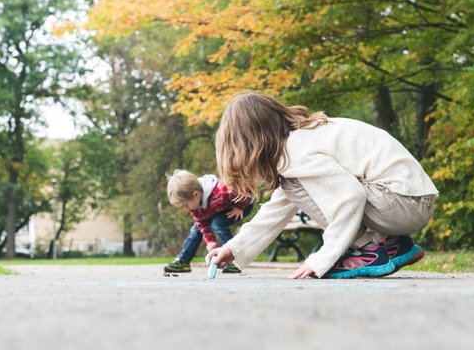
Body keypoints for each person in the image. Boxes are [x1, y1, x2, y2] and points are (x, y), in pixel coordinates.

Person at [206, 92, 438, 279]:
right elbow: (277, 207)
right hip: (409, 200)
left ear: (252, 143)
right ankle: (392, 245)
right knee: (290, 187)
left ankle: (368, 250)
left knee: (291, 186)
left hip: (401, 202)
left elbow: (350, 197)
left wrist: (324, 257)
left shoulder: (295, 152)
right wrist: (234, 248)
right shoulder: (304, 138)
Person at [164, 169, 254, 274]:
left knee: (217, 224)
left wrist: (240, 206)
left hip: (242, 204)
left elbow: (246, 189)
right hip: (218, 209)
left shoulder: (222, 191)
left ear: (196, 194)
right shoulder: (195, 207)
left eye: (185, 205)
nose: (186, 210)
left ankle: (234, 260)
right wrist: (210, 241)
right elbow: (202, 224)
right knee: (196, 228)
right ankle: (183, 261)